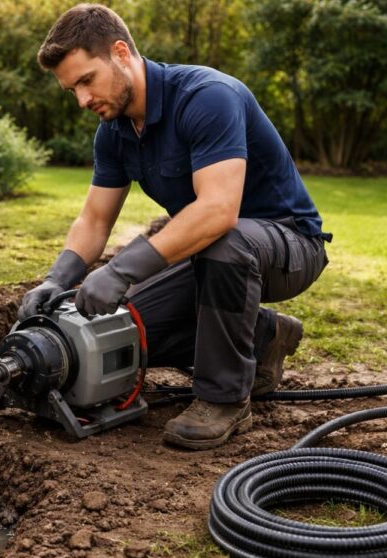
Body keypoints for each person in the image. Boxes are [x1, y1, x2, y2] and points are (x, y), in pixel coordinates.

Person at [19, 3, 330, 450]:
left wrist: (121, 271)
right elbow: (94, 218)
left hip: (287, 243)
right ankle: (264, 338)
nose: (83, 100)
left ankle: (223, 399)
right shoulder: (114, 131)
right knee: (127, 329)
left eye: (86, 80)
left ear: (121, 53)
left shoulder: (207, 96)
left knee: (230, 242)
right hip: (212, 250)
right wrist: (58, 278)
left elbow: (217, 212)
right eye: (72, 91)